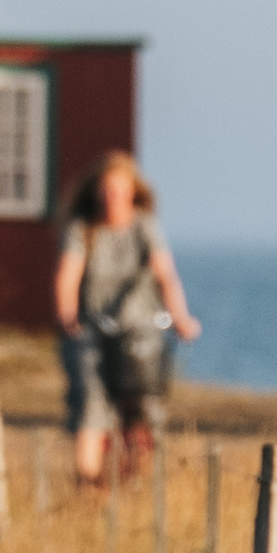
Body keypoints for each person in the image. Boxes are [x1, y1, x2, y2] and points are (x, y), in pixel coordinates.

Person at [52, 153, 199, 493]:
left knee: (144, 409)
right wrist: (67, 316)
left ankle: (135, 484)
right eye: (107, 190)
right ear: (96, 193)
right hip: (93, 330)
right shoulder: (82, 229)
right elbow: (67, 276)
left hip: (139, 331)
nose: (113, 196)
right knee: (91, 405)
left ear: (133, 192)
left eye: (120, 189)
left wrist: (181, 318)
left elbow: (167, 276)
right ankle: (87, 488)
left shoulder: (145, 227)